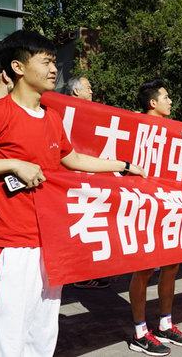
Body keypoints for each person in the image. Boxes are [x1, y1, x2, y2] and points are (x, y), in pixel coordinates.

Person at [0, 30, 146, 357]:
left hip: (52, 243)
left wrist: (122, 164)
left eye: (54, 62)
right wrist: (13, 165)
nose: (54, 70)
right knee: (9, 334)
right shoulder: (0, 112)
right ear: (19, 67)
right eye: (46, 62)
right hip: (12, 245)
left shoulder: (52, 117)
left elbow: (72, 158)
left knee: (44, 329)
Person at [128, 79, 182, 356]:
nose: (170, 101)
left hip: (170, 205)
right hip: (144, 207)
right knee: (143, 268)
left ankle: (165, 324)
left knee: (171, 266)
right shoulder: (133, 126)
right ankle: (140, 332)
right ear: (152, 103)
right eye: (165, 97)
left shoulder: (174, 130)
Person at [67, 74, 110, 290]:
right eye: (88, 88)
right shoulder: (66, 114)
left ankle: (87, 271)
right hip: (74, 179)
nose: (91, 91)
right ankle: (79, 274)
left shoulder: (91, 113)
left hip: (90, 176)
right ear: (76, 91)